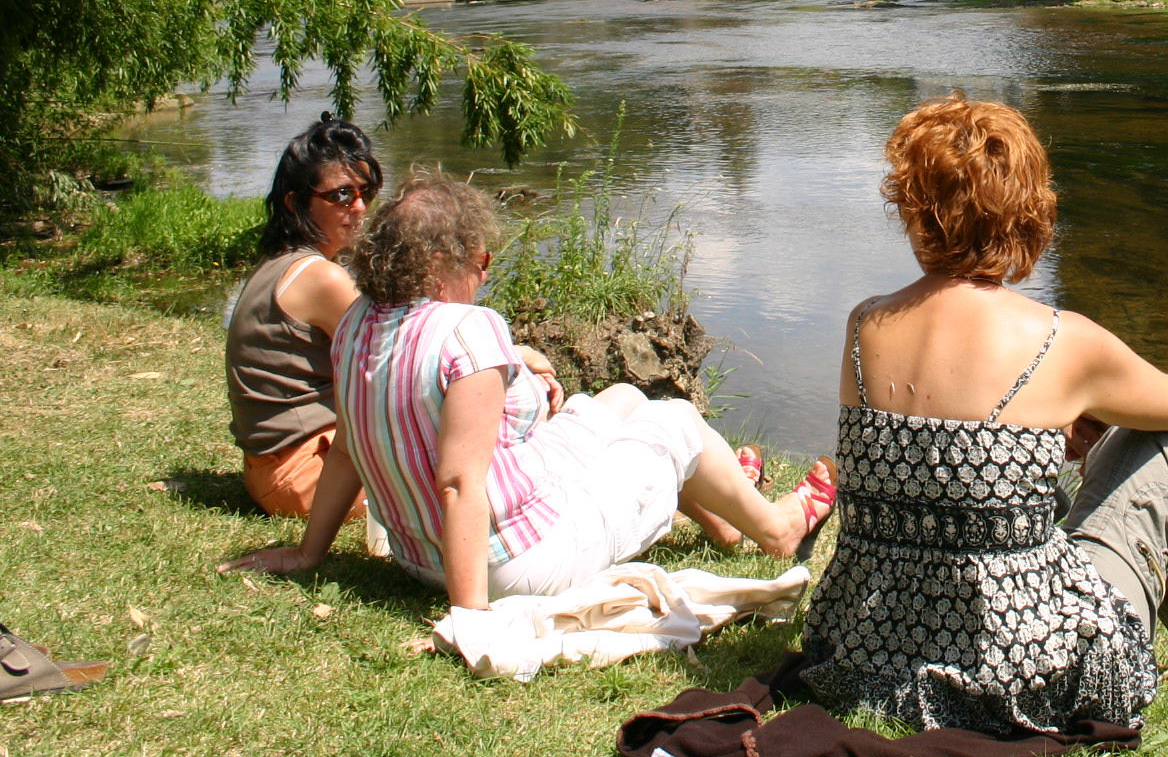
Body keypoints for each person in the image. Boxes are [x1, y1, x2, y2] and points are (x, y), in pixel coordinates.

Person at [800, 95, 1168, 737]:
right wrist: (1081, 410)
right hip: (1021, 670)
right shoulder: (1058, 339)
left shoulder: (864, 322)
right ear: (1026, 214)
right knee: (1160, 447)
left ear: (914, 211)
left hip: (864, 654)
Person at [222, 174, 836, 607]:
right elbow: (461, 482)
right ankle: (780, 529)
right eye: (480, 261)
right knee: (674, 418)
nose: (484, 274)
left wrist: (309, 554)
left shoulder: (357, 324)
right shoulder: (469, 331)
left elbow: (352, 448)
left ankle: (726, 522)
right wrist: (471, 619)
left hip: (418, 554)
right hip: (516, 563)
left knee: (622, 400)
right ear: (442, 261)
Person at [225, 115, 388, 518]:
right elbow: (405, 362)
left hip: (275, 470)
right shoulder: (322, 278)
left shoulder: (278, 262)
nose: (360, 207)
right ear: (296, 203)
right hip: (305, 477)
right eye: (341, 195)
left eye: (365, 192)